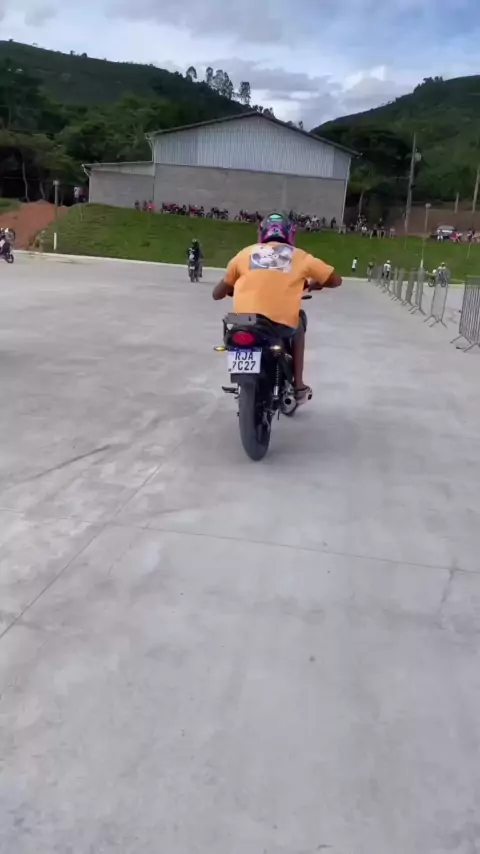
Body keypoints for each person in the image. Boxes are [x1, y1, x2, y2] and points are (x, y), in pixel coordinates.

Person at [212, 212, 342, 402]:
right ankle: (298, 385)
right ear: (290, 233)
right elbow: (336, 280)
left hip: (243, 322)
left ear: (262, 233)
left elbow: (216, 294)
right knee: (299, 323)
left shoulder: (244, 254)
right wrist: (312, 284)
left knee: (234, 333)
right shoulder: (299, 256)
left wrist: (230, 287)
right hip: (279, 324)